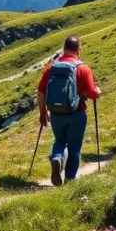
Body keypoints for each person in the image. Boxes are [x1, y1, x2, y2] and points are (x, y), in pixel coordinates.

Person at [37, 36, 101, 186]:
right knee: (74, 148)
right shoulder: (83, 68)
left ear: (64, 48)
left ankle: (57, 158)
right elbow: (93, 93)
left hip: (56, 115)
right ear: (78, 50)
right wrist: (98, 91)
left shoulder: (52, 67)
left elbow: (41, 91)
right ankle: (70, 181)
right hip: (76, 114)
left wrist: (42, 113)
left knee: (59, 141)